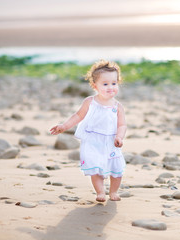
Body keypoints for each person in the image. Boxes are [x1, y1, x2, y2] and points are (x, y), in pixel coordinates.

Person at [50, 59, 127, 202]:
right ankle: (100, 192)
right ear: (94, 85)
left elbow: (122, 125)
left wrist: (120, 137)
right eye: (105, 84)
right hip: (93, 140)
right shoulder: (90, 102)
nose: (110, 87)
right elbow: (78, 116)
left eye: (114, 83)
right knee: (95, 167)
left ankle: (114, 191)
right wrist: (64, 126)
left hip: (111, 141)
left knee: (116, 169)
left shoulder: (117, 106)